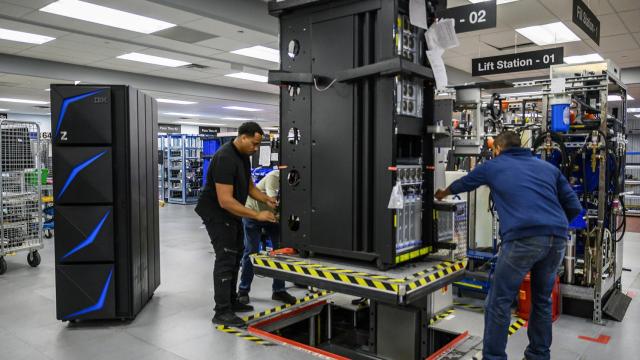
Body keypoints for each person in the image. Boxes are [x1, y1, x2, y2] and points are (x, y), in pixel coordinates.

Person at [435, 131, 582, 360]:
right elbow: (574, 205)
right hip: (558, 238)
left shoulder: (494, 166)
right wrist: (555, 224)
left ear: (498, 149)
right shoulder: (547, 168)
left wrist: (442, 193)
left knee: (499, 302)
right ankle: (538, 355)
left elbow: (465, 183)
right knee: (542, 300)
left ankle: (494, 357)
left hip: (523, 239)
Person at [195, 122, 277, 327]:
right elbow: (225, 200)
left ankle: (232, 301)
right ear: (243, 137)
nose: (256, 149)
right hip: (217, 212)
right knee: (225, 258)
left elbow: (249, 186)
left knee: (237, 254)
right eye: (254, 144)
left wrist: (266, 199)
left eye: (259, 145)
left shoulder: (242, 156)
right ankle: (221, 311)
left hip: (231, 214)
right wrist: (256, 215)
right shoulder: (224, 157)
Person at [238, 169, 297, 305]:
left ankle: (279, 290)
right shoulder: (274, 177)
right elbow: (274, 202)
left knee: (280, 251)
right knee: (251, 251)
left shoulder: (296, 181)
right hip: (253, 213)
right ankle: (243, 290)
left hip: (273, 217)